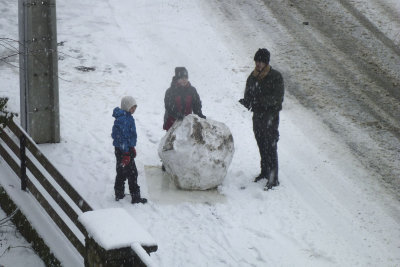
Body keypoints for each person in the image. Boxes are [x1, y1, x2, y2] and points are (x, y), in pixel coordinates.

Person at [239, 48, 284, 190]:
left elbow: (277, 99)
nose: (258, 64)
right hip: (257, 117)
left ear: (266, 63)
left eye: (261, 62)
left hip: (270, 117)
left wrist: (259, 102)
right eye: (257, 61)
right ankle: (264, 172)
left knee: (271, 146)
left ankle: (273, 177)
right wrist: (247, 102)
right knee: (261, 144)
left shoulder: (275, 76)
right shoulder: (252, 77)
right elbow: (249, 94)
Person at [111, 96, 147, 204]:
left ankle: (119, 193)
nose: (134, 110)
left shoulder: (128, 117)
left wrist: (132, 147)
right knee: (132, 173)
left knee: (121, 172)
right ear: (126, 107)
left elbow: (129, 136)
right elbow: (121, 138)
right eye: (132, 107)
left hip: (125, 149)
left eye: (135, 107)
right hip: (123, 151)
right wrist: (126, 153)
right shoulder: (122, 120)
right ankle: (135, 197)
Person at [163, 67, 206, 131]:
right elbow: (169, 106)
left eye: (186, 78)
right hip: (172, 122)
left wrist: (199, 114)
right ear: (177, 79)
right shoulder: (170, 91)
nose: (184, 80)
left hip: (186, 122)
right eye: (182, 78)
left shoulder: (192, 90)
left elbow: (196, 104)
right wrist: (177, 115)